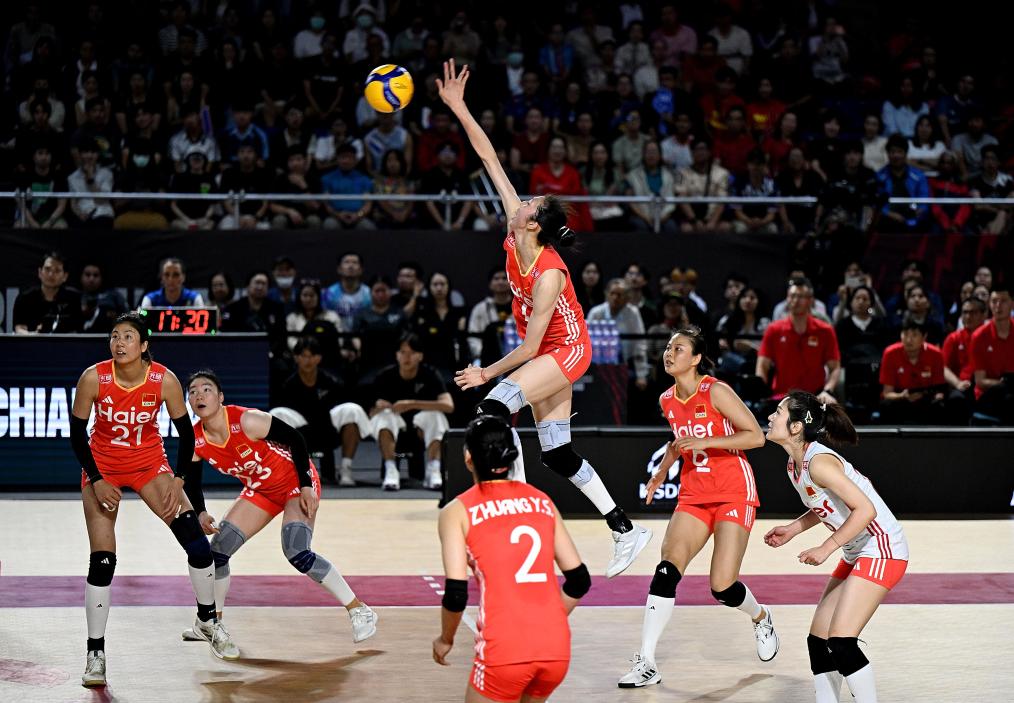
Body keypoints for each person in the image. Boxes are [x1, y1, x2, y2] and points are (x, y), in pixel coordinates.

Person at [438, 59, 651, 576]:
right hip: (549, 353)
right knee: (557, 453)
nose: (521, 201)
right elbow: (489, 158)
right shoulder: (518, 233)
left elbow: (533, 349)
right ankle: (626, 528)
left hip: (567, 351)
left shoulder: (549, 273)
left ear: (534, 224)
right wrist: (459, 107)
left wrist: (486, 373)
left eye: (528, 203)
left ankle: (509, 513)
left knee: (493, 407)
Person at [70, 313, 221, 686]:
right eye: (114, 336)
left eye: (128, 337)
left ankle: (207, 619)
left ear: (144, 345)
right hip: (103, 466)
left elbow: (187, 435)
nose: (119, 343)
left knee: (196, 542)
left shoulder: (163, 380)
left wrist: (179, 478)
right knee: (102, 561)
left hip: (149, 464)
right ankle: (95, 653)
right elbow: (76, 434)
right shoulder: (93, 377)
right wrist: (97, 479)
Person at [621, 327, 777, 687]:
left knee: (722, 586)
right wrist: (662, 472)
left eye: (678, 348)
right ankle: (647, 661)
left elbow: (756, 436)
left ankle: (761, 617)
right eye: (667, 347)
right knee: (666, 570)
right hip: (694, 493)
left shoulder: (716, 390)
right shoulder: (666, 399)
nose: (669, 353)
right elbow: (678, 441)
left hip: (733, 490)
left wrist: (707, 441)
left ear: (695, 359)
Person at [183, 369, 377, 648]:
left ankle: (359, 610)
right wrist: (200, 511)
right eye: (193, 392)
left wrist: (307, 485)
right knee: (218, 552)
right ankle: (213, 623)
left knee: (296, 551)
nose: (199, 395)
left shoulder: (246, 420)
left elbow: (296, 439)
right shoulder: (195, 439)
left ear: (221, 397)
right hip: (261, 491)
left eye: (206, 389)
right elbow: (191, 481)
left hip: (294, 483)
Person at [764, 391, 909, 703]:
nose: (770, 417)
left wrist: (825, 547)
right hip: (858, 551)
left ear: (796, 427)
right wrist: (793, 529)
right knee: (818, 642)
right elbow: (826, 506)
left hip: (882, 549)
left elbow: (865, 510)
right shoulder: (794, 464)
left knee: (841, 642)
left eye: (778, 412)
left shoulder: (819, 463)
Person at [433, 413, 590, 702]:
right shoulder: (542, 500)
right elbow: (579, 580)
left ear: (468, 458)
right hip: (555, 647)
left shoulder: (456, 511)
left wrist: (445, 639)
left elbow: (456, 594)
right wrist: (547, 622)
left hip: (505, 649)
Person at [370, 333, 454, 491]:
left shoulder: (430, 374)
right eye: (402, 352)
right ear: (397, 355)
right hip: (395, 427)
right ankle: (391, 469)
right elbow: (370, 414)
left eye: (412, 352)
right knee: (384, 417)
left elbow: (449, 405)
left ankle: (433, 469)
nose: (406, 357)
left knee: (436, 416)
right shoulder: (385, 376)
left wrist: (411, 404)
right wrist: (379, 407)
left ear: (420, 356)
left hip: (419, 429)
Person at [756, 278, 841, 406]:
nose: (795, 300)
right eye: (792, 296)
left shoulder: (825, 330)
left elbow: (835, 367)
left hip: (815, 398)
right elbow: (762, 365)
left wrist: (827, 391)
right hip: (781, 398)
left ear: (810, 301)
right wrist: (761, 391)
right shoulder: (774, 329)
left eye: (801, 297)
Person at [879, 315, 969, 425]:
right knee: (886, 405)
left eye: (914, 335)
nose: (908, 340)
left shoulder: (935, 354)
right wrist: (902, 396)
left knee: (948, 403)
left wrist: (935, 396)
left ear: (924, 337)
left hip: (927, 399)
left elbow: (939, 388)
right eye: (905, 334)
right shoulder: (890, 353)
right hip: (901, 398)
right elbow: (887, 393)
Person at [971, 284, 1014, 423]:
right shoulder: (979, 336)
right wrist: (1004, 385)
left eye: (1003, 301)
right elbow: (980, 381)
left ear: (1012, 304)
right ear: (989, 305)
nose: (998, 306)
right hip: (988, 394)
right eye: (994, 301)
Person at [13, 251, 82, 334]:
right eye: (47, 269)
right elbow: (19, 329)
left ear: (65, 276)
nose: (51, 274)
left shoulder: (73, 299)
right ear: (40, 272)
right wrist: (32, 336)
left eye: (57, 271)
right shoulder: (25, 298)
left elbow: (78, 331)